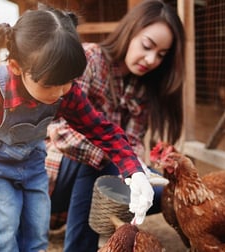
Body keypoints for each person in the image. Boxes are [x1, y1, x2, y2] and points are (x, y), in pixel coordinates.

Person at [0, 4, 155, 252]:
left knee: (37, 226)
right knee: (5, 225)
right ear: (17, 67)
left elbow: (101, 129)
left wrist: (133, 171)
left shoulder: (65, 93)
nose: (61, 92)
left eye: (69, 81)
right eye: (51, 84)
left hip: (32, 162)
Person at [46, 0, 186, 251]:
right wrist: (121, 159)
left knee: (157, 190)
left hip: (98, 178)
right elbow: (58, 130)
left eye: (161, 55)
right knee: (99, 157)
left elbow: (132, 142)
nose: (152, 59)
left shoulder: (142, 87)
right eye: (147, 45)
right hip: (54, 178)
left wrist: (137, 169)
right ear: (131, 31)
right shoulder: (89, 58)